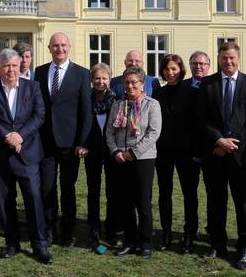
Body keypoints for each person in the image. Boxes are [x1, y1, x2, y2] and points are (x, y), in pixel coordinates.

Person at [0, 48, 53, 264]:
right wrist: (6, 136)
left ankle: (39, 244)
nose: (10, 70)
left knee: (33, 199)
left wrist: (19, 136)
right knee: (6, 201)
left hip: (27, 152)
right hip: (1, 154)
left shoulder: (33, 86)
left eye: (14, 65)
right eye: (6, 66)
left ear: (20, 66)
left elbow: (39, 116)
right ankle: (12, 242)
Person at [197, 42, 246, 270]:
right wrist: (219, 140)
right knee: (216, 201)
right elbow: (202, 118)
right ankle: (218, 243)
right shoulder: (208, 83)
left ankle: (244, 248)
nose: (228, 62)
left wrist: (232, 142)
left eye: (232, 58)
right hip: (215, 154)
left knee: (243, 203)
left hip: (242, 156)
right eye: (225, 58)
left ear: (238, 58)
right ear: (218, 58)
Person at [35, 32, 92, 247]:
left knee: (68, 189)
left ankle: (67, 232)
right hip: (45, 142)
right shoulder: (39, 72)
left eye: (63, 45)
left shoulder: (81, 74)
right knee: (47, 189)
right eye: (55, 45)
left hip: (70, 144)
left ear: (69, 47)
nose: (59, 49)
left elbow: (86, 112)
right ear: (49, 48)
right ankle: (48, 231)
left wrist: (83, 142)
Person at [107, 66, 162, 258]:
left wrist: (133, 152)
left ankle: (146, 243)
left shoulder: (151, 104)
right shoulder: (117, 105)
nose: (129, 86)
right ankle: (130, 241)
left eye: (134, 82)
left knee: (143, 202)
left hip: (143, 159)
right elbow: (109, 132)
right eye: (126, 83)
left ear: (142, 84)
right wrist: (115, 151)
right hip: (121, 159)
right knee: (125, 202)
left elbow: (153, 133)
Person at [173, 50, 211, 254]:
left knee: (215, 194)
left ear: (209, 66)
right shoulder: (183, 87)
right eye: (195, 63)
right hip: (187, 151)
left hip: (213, 150)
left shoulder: (215, 84)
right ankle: (189, 232)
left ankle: (213, 231)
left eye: (202, 64)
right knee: (189, 195)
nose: (199, 67)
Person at [153, 54, 186, 251]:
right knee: (164, 193)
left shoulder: (191, 91)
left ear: (180, 69)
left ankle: (188, 234)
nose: (170, 72)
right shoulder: (158, 93)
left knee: (189, 194)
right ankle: (166, 233)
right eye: (166, 69)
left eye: (174, 68)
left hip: (185, 151)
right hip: (163, 150)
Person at [84, 63, 117, 247]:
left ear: (110, 80)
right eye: (97, 78)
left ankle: (111, 229)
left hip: (112, 151)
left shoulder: (117, 100)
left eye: (104, 78)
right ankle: (93, 229)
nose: (101, 82)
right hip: (92, 151)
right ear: (92, 80)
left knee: (112, 192)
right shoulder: (86, 99)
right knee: (93, 191)